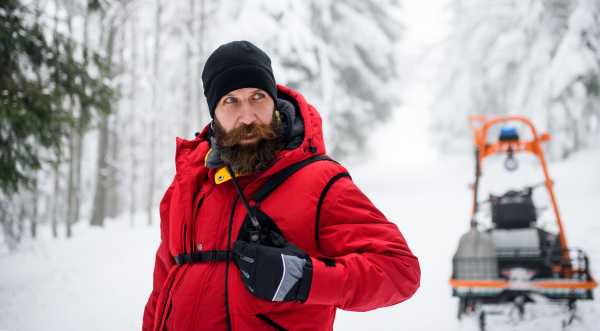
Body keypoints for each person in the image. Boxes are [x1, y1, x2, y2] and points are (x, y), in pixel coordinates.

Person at [142, 40, 420, 331]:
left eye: (258, 96)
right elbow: (162, 291)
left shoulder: (320, 182)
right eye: (231, 101)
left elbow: (400, 271)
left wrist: (306, 279)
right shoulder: (188, 185)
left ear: (274, 101)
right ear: (214, 114)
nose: (247, 116)